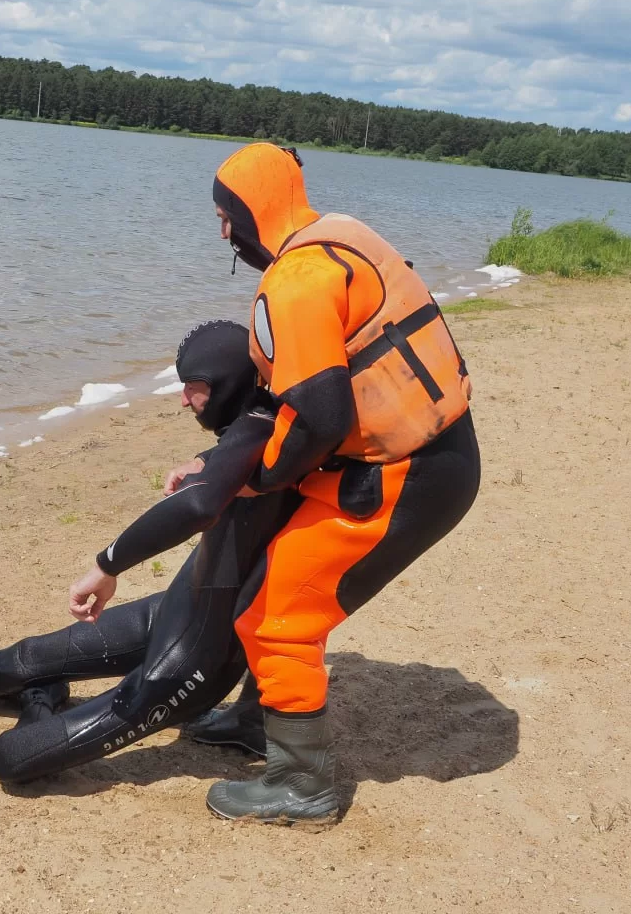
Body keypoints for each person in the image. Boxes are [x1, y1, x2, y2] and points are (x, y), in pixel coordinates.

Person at [0, 320, 296, 783]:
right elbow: (235, 462)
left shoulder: (260, 428)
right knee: (26, 657)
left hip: (191, 662)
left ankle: (40, 698)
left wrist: (106, 566)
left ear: (225, 383)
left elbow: (198, 506)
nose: (183, 400)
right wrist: (205, 461)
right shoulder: (270, 431)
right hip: (176, 609)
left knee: (13, 758)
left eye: (193, 387)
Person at [189, 142, 484, 824]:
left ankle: (304, 784)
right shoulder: (339, 234)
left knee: (277, 618)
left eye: (226, 217)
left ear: (252, 211)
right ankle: (259, 722)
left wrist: (260, 479)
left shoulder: (295, 282)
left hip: (407, 476)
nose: (224, 233)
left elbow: (320, 416)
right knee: (271, 579)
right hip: (428, 452)